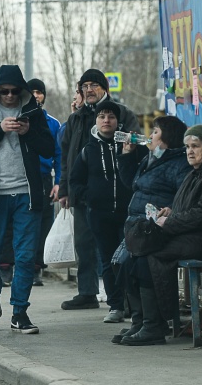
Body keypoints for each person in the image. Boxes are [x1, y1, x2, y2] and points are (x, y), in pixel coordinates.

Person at [120, 125, 202, 346]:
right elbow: (190, 207)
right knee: (133, 254)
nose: (190, 151)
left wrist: (170, 222)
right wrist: (170, 211)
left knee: (149, 255)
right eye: (187, 147)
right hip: (189, 235)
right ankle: (142, 322)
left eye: (196, 146)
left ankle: (154, 325)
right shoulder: (200, 170)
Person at [0, 64, 55, 335]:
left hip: (26, 194)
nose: (8, 96)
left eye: (13, 91)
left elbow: (49, 148)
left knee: (26, 256)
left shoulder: (32, 112)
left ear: (22, 91)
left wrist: (27, 131)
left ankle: (20, 311)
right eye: (3, 91)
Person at [58, 69, 141, 311]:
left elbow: (135, 145)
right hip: (84, 193)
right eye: (84, 86)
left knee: (119, 247)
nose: (89, 90)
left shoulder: (121, 113)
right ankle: (87, 292)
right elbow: (67, 157)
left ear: (104, 88)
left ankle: (124, 298)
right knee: (84, 244)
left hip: (116, 194)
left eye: (94, 85)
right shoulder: (76, 118)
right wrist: (65, 189)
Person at [111, 115, 192, 344]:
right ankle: (139, 321)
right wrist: (126, 156)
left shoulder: (178, 163)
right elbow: (133, 184)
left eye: (155, 132)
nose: (151, 136)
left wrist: (170, 210)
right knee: (121, 264)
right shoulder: (152, 158)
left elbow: (183, 196)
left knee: (138, 266)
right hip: (136, 225)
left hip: (153, 228)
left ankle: (153, 325)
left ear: (167, 138)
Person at [69, 100, 133, 323]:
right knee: (107, 260)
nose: (107, 120)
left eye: (111, 117)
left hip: (127, 214)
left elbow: (140, 172)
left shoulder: (129, 145)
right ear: (96, 121)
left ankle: (133, 305)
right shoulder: (89, 149)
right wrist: (90, 197)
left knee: (128, 259)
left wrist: (129, 153)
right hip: (99, 214)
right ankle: (115, 306)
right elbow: (74, 181)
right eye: (102, 117)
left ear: (118, 122)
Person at [26, 78, 62, 286]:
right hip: (22, 177)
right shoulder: (19, 119)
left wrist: (57, 182)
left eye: (39, 92)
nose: (36, 96)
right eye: (32, 92)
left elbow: (58, 156)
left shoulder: (53, 123)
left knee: (43, 223)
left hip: (43, 178)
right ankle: (13, 265)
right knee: (21, 221)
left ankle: (36, 268)